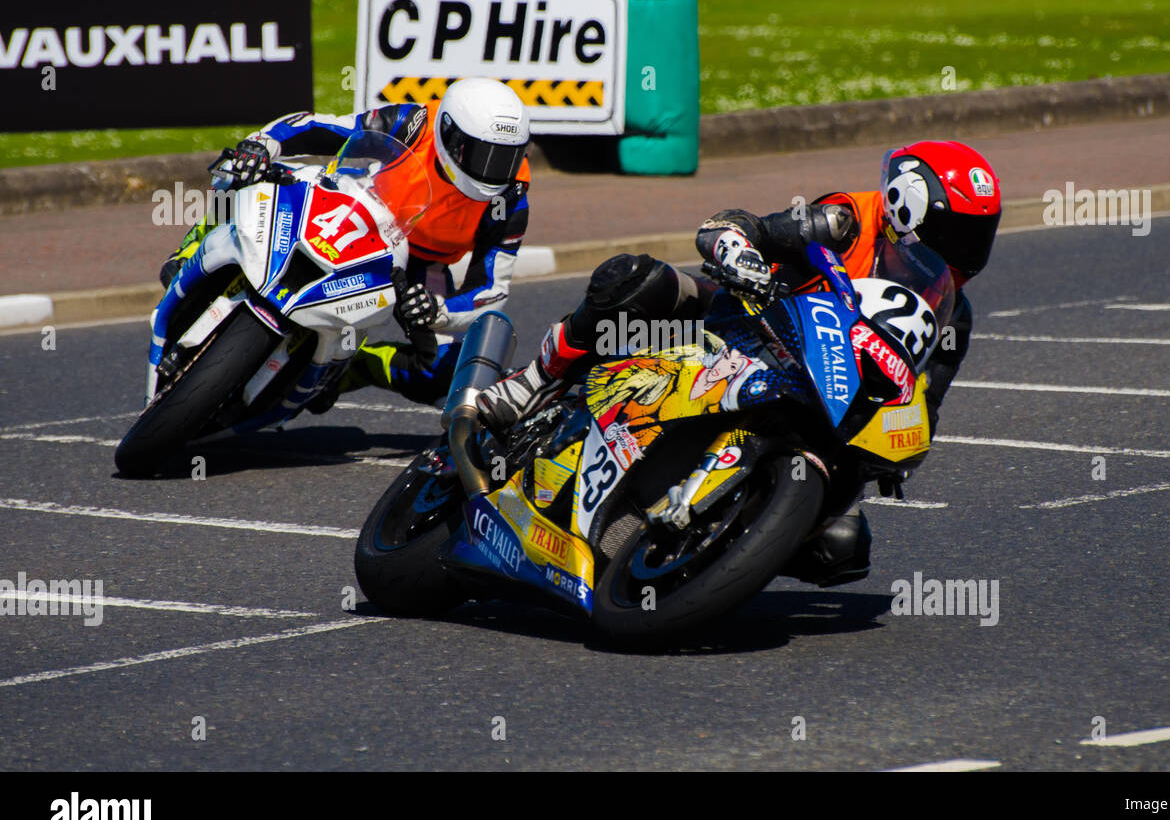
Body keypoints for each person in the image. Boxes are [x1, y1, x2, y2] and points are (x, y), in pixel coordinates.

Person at [476, 140, 1001, 584]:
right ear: (903, 206)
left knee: (842, 548)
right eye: (957, 232)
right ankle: (535, 380)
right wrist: (738, 251)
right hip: (741, 327)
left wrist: (899, 443)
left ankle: (715, 547)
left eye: (980, 236)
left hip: (828, 409)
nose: (969, 252)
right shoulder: (845, 220)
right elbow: (736, 226)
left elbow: (924, 400)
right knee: (638, 283)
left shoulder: (951, 313)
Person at [159, 77, 532, 409]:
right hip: (358, 208)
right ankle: (190, 250)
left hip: (419, 263)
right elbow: (324, 128)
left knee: (441, 371)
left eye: (508, 158)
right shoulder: (415, 123)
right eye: (484, 156)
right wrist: (263, 145)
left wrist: (436, 310)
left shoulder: (511, 197)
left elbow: (490, 292)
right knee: (243, 172)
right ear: (449, 134)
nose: (495, 170)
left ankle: (351, 364)